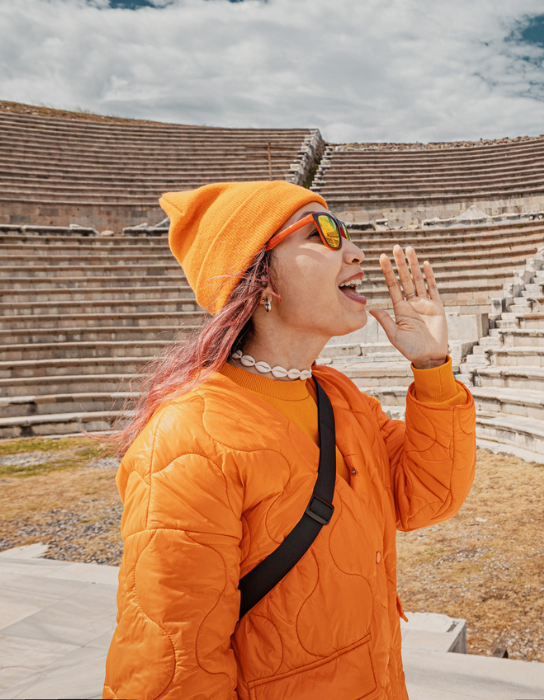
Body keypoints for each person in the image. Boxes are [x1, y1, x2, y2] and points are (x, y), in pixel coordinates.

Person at [102, 181, 477, 700]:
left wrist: (433, 366)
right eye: (323, 232)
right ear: (259, 280)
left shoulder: (339, 397)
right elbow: (173, 670)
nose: (355, 250)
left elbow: (427, 498)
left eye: (345, 231)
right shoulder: (187, 439)